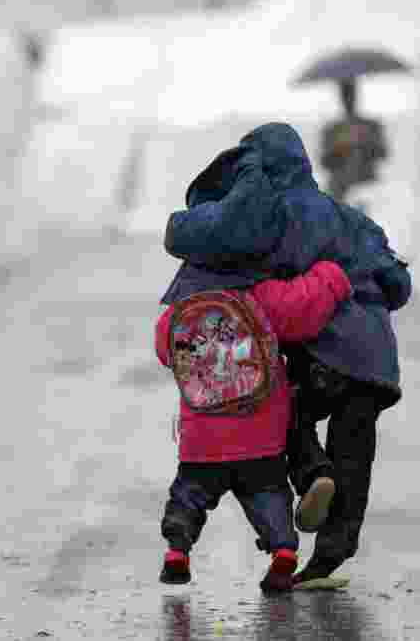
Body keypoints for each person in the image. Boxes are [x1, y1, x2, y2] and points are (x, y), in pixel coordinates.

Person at [161, 122, 412, 585]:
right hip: (377, 360)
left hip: (324, 353)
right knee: (355, 451)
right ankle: (332, 550)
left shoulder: (273, 217)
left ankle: (313, 473)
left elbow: (251, 284)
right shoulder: (348, 215)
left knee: (287, 412)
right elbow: (399, 284)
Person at [155, 225, 354, 592]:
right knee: (269, 496)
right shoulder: (260, 296)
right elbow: (305, 305)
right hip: (261, 436)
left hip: (202, 438)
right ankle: (283, 553)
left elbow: (165, 350)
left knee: (189, 495)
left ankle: (177, 550)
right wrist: (333, 273)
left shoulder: (180, 310)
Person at [320, 79, 389, 204]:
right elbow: (324, 161)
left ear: (356, 95)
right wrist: (341, 150)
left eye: (350, 93)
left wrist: (364, 145)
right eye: (345, 94)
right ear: (340, 97)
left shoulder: (371, 125)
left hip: (366, 187)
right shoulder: (332, 129)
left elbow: (383, 153)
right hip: (339, 189)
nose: (348, 98)